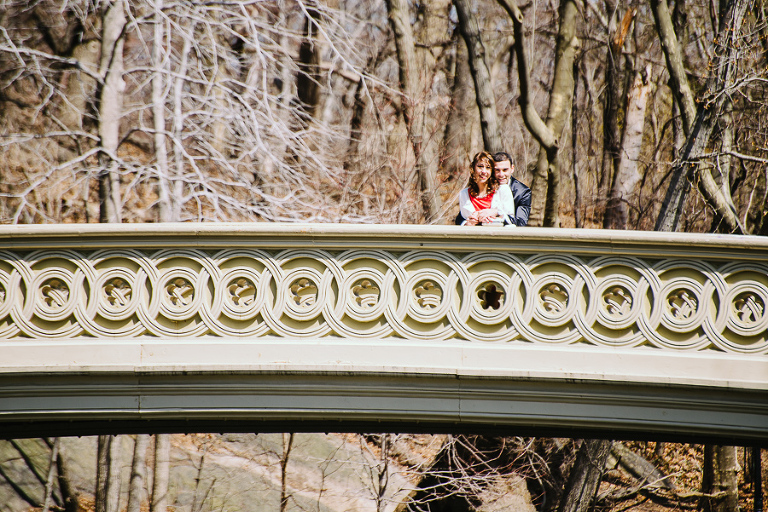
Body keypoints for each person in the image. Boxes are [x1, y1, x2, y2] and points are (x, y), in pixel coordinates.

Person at [455, 151, 531, 227]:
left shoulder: (521, 192)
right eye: (497, 170)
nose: (501, 175)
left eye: (505, 170)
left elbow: (519, 223)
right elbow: (461, 218)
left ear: (512, 169)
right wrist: (468, 222)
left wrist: (497, 212)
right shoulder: (465, 193)